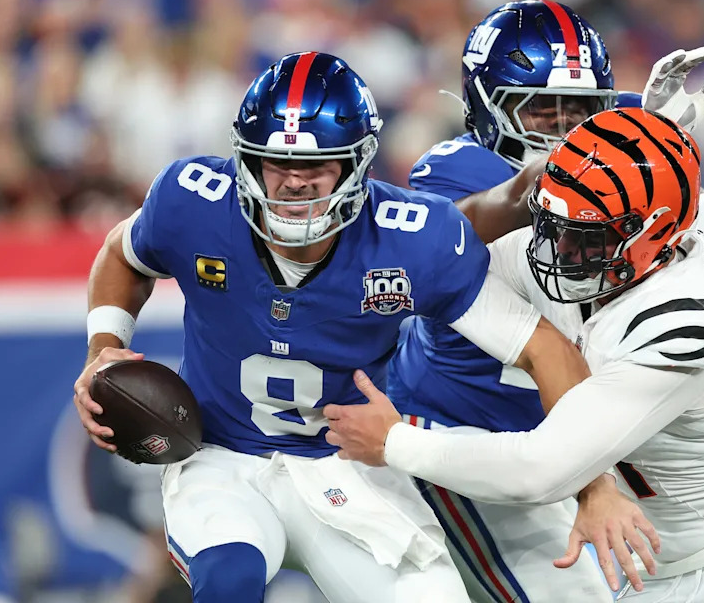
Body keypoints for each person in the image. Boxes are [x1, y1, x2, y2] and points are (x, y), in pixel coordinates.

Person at [71, 52, 602, 603]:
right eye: (276, 163)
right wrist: (104, 347)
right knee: (230, 580)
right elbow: (123, 254)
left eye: (316, 165)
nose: (295, 183)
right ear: (247, 159)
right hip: (221, 455)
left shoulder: (414, 238)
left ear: (357, 164)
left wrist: (596, 486)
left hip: (348, 463)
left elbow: (546, 349)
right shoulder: (193, 199)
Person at [388, 0, 704, 598]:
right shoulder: (458, 172)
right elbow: (495, 211)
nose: (566, 127)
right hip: (472, 426)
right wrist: (636, 144)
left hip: (588, 447)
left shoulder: (668, 272)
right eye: (543, 110)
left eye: (581, 110)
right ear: (486, 108)